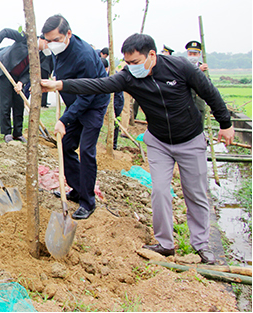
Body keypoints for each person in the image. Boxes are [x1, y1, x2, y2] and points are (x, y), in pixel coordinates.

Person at [41, 33, 234, 264]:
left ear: (151, 55)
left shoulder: (180, 67)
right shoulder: (129, 77)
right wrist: (60, 84)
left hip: (190, 140)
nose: (131, 68)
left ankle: (201, 246)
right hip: (159, 142)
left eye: (135, 62)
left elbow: (209, 92)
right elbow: (99, 84)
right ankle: (165, 244)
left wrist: (226, 124)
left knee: (195, 192)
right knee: (160, 191)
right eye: (127, 63)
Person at [41, 15, 109, 220]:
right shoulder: (57, 48)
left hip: (93, 104)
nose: (52, 44)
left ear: (68, 34)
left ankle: (88, 202)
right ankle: (77, 190)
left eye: (56, 39)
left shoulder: (85, 56)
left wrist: (64, 120)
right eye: (48, 40)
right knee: (66, 145)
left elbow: (87, 95)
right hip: (75, 104)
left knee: (87, 151)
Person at [0, 28, 51, 143]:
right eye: (48, 44)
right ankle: (6, 133)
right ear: (42, 39)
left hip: (19, 77)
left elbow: (30, 70)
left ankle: (18, 133)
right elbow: (5, 32)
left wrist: (21, 82)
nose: (48, 47)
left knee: (19, 103)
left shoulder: (42, 55)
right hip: (4, 72)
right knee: (6, 102)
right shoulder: (26, 38)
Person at [102, 58, 125, 150]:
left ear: (107, 68)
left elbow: (117, 96)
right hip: (111, 102)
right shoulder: (103, 75)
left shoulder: (113, 76)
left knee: (115, 122)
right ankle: (109, 140)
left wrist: (114, 109)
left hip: (116, 102)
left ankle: (113, 144)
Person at [185, 40, 209, 125]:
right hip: (185, 104)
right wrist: (198, 71)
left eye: (194, 54)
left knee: (199, 127)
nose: (192, 56)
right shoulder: (183, 66)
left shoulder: (204, 68)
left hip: (199, 104)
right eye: (190, 54)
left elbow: (208, 86)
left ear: (199, 55)